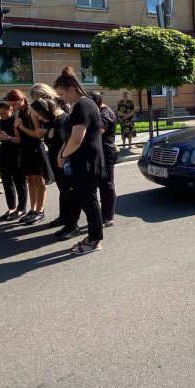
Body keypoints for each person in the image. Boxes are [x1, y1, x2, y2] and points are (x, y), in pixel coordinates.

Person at [54, 67, 106, 254]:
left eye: (62, 94)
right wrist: (62, 152)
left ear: (71, 89)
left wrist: (63, 155)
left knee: (89, 202)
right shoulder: (84, 104)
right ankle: (93, 237)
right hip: (84, 160)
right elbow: (70, 137)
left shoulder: (82, 105)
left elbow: (77, 138)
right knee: (86, 200)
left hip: (87, 162)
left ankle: (94, 240)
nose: (61, 98)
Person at [29, 97, 76, 235]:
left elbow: (63, 141)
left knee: (69, 192)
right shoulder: (53, 120)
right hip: (57, 160)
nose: (39, 118)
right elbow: (49, 138)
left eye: (39, 114)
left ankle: (71, 224)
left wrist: (49, 137)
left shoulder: (62, 119)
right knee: (63, 190)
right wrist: (48, 136)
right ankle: (64, 218)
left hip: (63, 161)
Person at [5, 89, 47, 225]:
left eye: (14, 104)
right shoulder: (18, 113)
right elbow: (18, 136)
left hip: (35, 148)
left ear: (21, 100)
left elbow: (38, 134)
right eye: (11, 105)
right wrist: (15, 127)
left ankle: (40, 210)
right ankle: (33, 209)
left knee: (38, 180)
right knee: (30, 179)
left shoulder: (31, 111)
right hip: (24, 149)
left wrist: (21, 127)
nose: (13, 107)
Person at [0, 99, 27, 221]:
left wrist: (8, 137)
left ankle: (21, 208)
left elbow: (22, 139)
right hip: (3, 154)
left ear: (10, 109)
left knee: (19, 182)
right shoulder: (1, 121)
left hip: (16, 154)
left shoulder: (17, 120)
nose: (2, 116)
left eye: (4, 113)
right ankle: (11, 208)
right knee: (7, 183)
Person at [90, 91, 118, 228]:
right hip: (100, 153)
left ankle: (108, 216)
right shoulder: (99, 111)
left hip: (107, 153)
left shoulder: (105, 114)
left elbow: (98, 131)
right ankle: (104, 213)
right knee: (102, 184)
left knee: (107, 185)